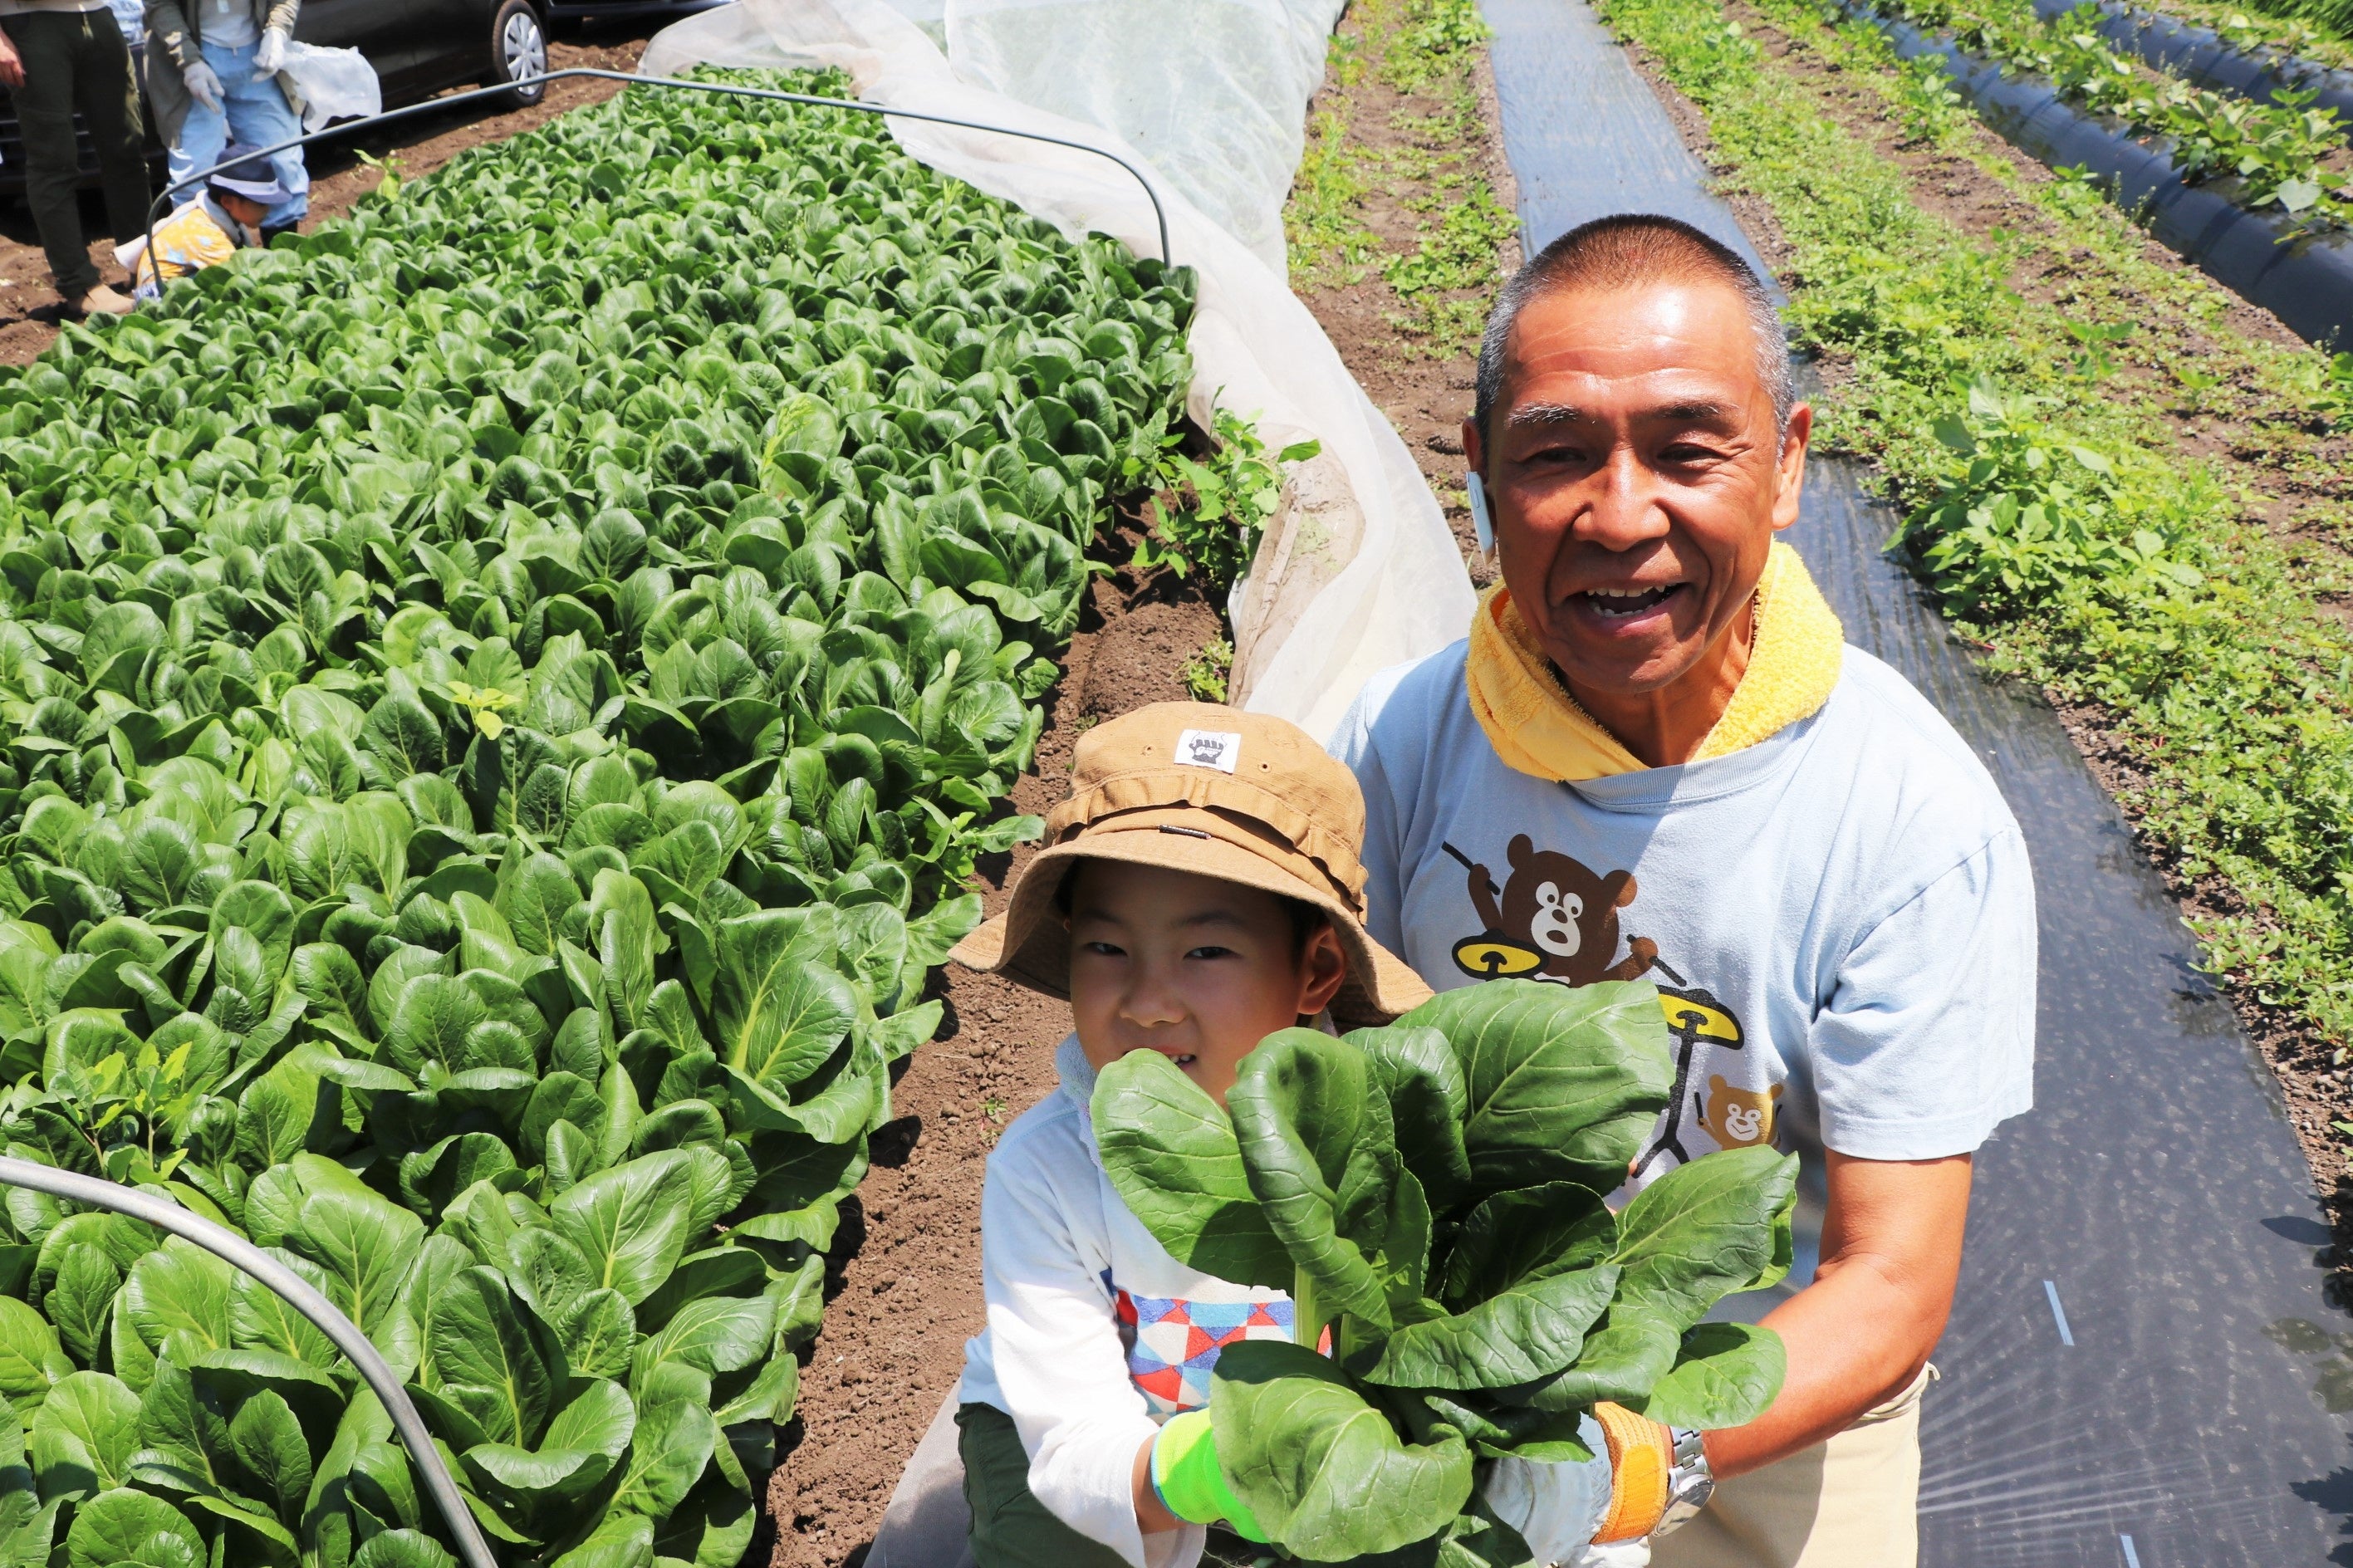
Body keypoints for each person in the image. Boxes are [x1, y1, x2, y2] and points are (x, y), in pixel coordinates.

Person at [1332, 213, 2036, 1568]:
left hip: (1769, 1394)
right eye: (1553, 451)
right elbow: (1314, 1082)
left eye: (1685, 447)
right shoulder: (1402, 742)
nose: (1618, 513)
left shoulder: (1905, 816)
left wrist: (1645, 1452)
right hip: (1458, 1362)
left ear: (1782, 465)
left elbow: (1887, 1275)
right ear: (1477, 472)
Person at [949, 703, 1687, 1568]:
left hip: (1330, 1465)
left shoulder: (1418, 1141)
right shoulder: (1047, 1167)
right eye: (1107, 947)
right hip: (1092, 1444)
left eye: (1205, 953)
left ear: (1317, 972)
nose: (1146, 1001)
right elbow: (1074, 1444)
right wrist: (1204, 1477)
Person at [0, 0, 150, 316]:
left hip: (99, 16)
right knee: (53, 162)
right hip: (30, 21)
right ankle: (79, 285)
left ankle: (145, 263)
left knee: (127, 147)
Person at [143, 0, 306, 239]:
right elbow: (159, 3)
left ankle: (285, 262)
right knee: (195, 175)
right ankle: (208, 267)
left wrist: (278, 29)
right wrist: (188, 60)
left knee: (281, 162)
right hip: (190, 57)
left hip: (255, 50)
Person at [127, 143, 281, 297]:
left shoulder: (206, 216)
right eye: (260, 203)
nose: (267, 209)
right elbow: (241, 279)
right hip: (162, 300)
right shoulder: (210, 239)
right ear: (227, 202)